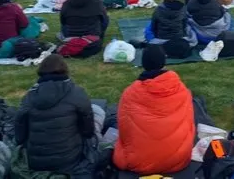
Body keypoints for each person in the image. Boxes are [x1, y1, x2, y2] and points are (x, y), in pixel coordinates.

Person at [114, 45, 195, 175]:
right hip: (179, 159)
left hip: (138, 163)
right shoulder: (181, 89)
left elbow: (124, 131)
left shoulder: (131, 93)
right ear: (164, 62)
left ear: (143, 63)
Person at [15, 55, 98, 177]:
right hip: (69, 161)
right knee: (97, 111)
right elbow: (88, 130)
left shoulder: (29, 96)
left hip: (36, 162)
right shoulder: (76, 92)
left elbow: (20, 133)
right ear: (65, 70)